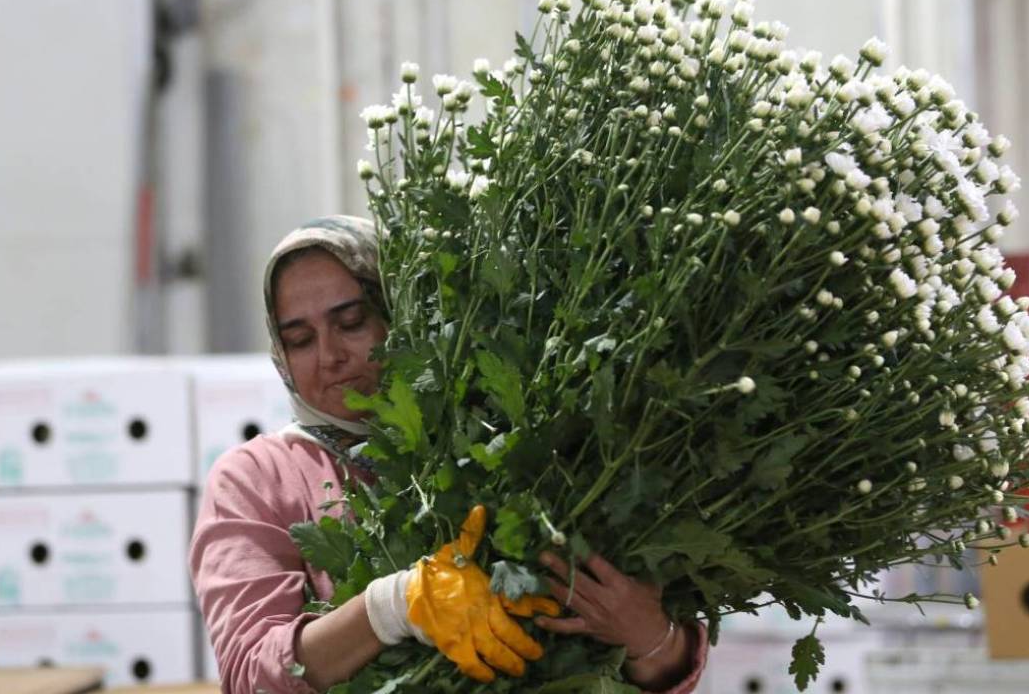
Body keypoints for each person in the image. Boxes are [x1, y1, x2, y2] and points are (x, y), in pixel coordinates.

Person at [189, 216, 708, 693]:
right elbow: (251, 677)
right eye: (300, 339)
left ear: (404, 311)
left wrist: (651, 636)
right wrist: (392, 606)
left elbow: (655, 666)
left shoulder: (507, 436)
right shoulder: (257, 479)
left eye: (351, 322)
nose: (330, 356)